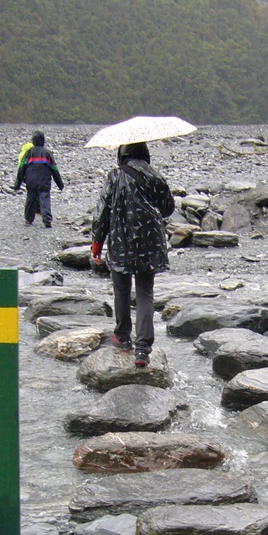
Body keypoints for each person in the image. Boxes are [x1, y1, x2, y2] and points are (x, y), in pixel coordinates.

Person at [90, 141, 175, 368]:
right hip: (150, 244)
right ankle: (143, 349)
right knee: (145, 294)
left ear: (122, 154)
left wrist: (96, 244)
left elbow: (102, 212)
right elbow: (168, 209)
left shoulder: (114, 177)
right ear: (145, 153)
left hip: (121, 241)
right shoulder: (155, 177)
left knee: (122, 290)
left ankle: (122, 336)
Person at [14, 130, 64, 227]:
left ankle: (28, 220)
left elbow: (21, 168)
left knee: (30, 199)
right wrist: (60, 184)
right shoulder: (47, 153)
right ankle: (47, 220)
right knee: (44, 199)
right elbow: (54, 170)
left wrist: (17, 184)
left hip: (30, 180)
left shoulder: (28, 153)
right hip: (44, 181)